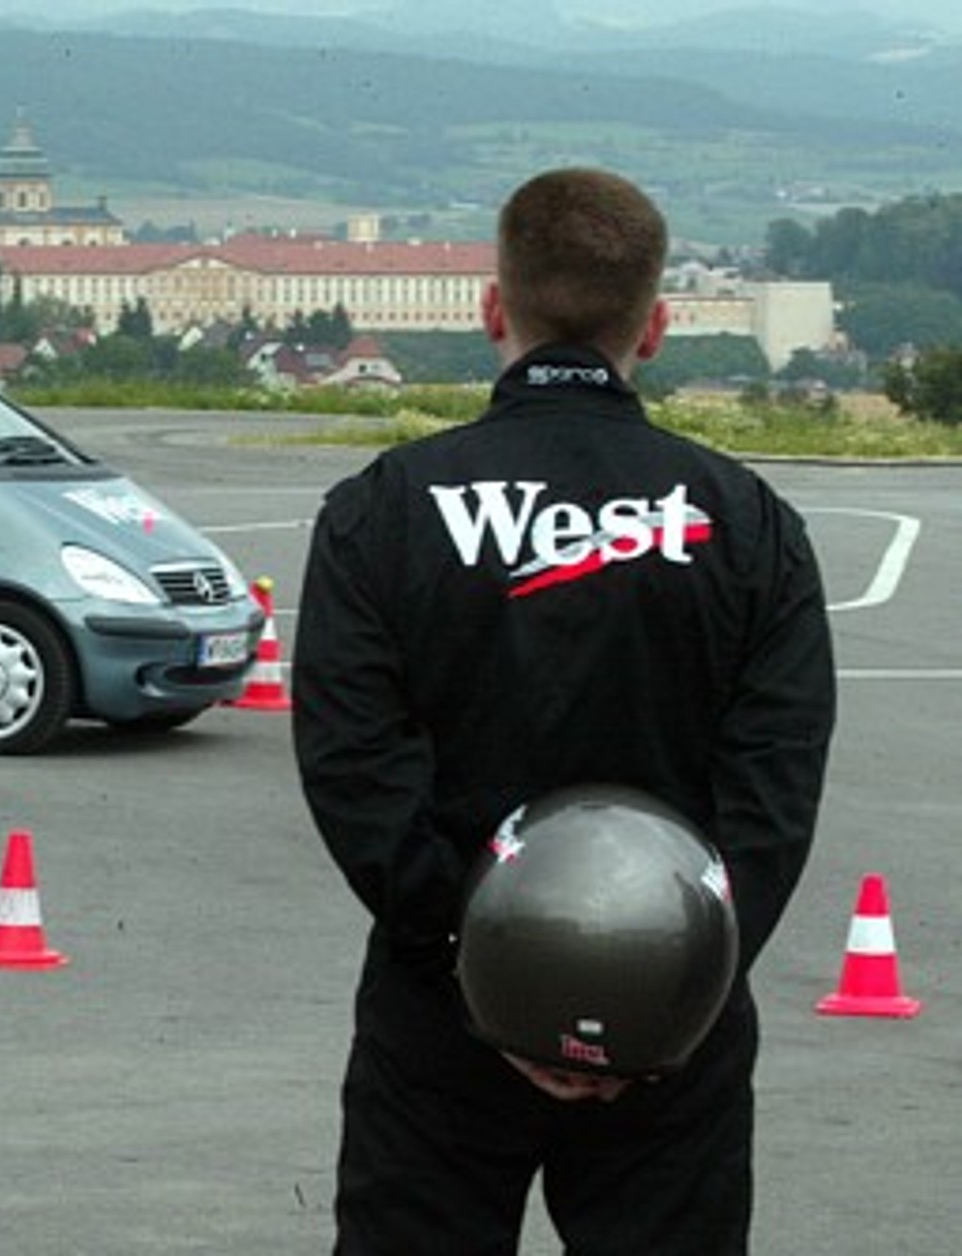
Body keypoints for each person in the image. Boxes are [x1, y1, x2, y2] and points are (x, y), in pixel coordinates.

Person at [290, 167, 837, 1254]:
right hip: (673, 1019)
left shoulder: (384, 510)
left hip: (438, 1012)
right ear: (657, 327)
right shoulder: (747, 521)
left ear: (492, 309)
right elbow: (773, 793)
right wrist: (669, 983)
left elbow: (354, 769)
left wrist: (473, 961)